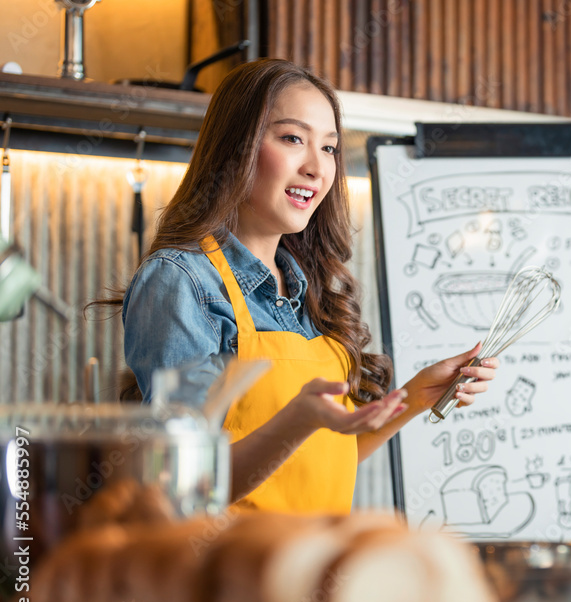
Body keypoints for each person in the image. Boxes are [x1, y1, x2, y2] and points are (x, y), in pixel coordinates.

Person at [111, 59, 499, 514]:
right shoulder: (183, 280)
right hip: (226, 577)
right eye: (293, 138)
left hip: (307, 570)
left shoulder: (309, 290)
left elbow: (327, 457)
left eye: (330, 148)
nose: (317, 167)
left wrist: (413, 398)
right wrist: (296, 420)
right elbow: (185, 483)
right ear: (235, 147)